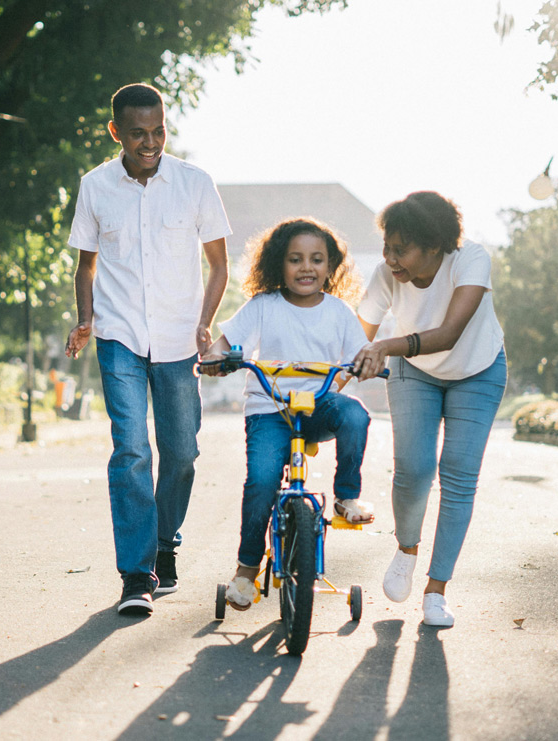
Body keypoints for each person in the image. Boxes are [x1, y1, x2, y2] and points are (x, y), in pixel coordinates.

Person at [64, 83, 231, 616]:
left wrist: (205, 323)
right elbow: (86, 265)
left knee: (181, 453)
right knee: (132, 450)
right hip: (119, 338)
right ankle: (136, 574)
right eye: (138, 133)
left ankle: (164, 544)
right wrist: (86, 320)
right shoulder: (95, 187)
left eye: (158, 131)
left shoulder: (195, 183)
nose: (151, 142)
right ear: (116, 132)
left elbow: (219, 264)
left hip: (181, 339)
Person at [200, 218, 374, 610]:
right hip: (269, 411)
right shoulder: (263, 306)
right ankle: (246, 570)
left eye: (317, 259)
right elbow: (226, 343)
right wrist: (216, 357)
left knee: (356, 416)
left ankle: (347, 497)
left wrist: (366, 364)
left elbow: (359, 354)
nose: (306, 268)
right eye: (295, 259)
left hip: (317, 406)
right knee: (262, 481)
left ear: (331, 267)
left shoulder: (339, 312)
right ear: (280, 264)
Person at [353, 191, 506, 627]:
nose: (390, 258)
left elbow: (451, 332)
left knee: (458, 473)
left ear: (434, 246)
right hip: (414, 372)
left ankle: (437, 590)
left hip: (477, 369)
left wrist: (384, 345)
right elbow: (355, 337)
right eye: (387, 246)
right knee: (414, 468)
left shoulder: (470, 260)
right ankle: (406, 548)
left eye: (400, 249)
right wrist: (331, 380)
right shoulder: (387, 275)